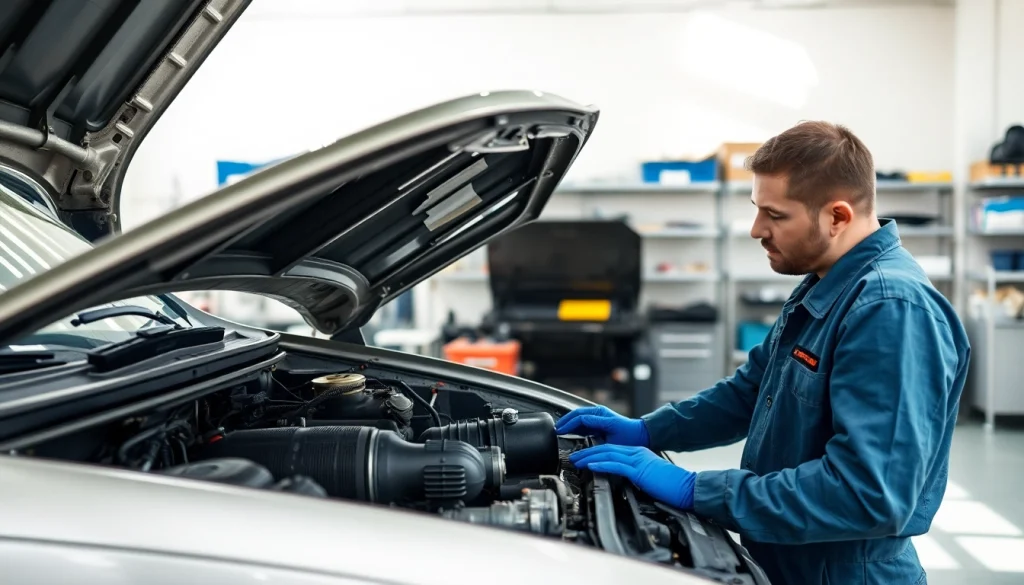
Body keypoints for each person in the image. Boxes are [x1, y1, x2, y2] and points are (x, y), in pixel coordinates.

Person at [557, 121, 970, 585]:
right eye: (757, 210)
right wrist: (647, 430)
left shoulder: (890, 310)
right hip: (787, 557)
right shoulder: (823, 284)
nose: (756, 230)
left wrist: (699, 489)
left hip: (843, 573)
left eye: (774, 215)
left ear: (837, 216)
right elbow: (750, 392)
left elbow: (868, 494)